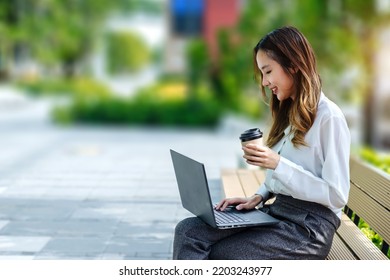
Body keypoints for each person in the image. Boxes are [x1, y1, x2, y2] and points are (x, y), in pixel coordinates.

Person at [173, 26, 351, 260]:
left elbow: (337, 195)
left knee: (221, 254)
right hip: (278, 210)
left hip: (309, 227)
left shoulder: (329, 118)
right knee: (188, 231)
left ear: (293, 64)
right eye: (262, 74)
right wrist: (258, 196)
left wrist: (277, 163)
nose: (265, 82)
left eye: (268, 71)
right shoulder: (291, 113)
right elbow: (289, 175)